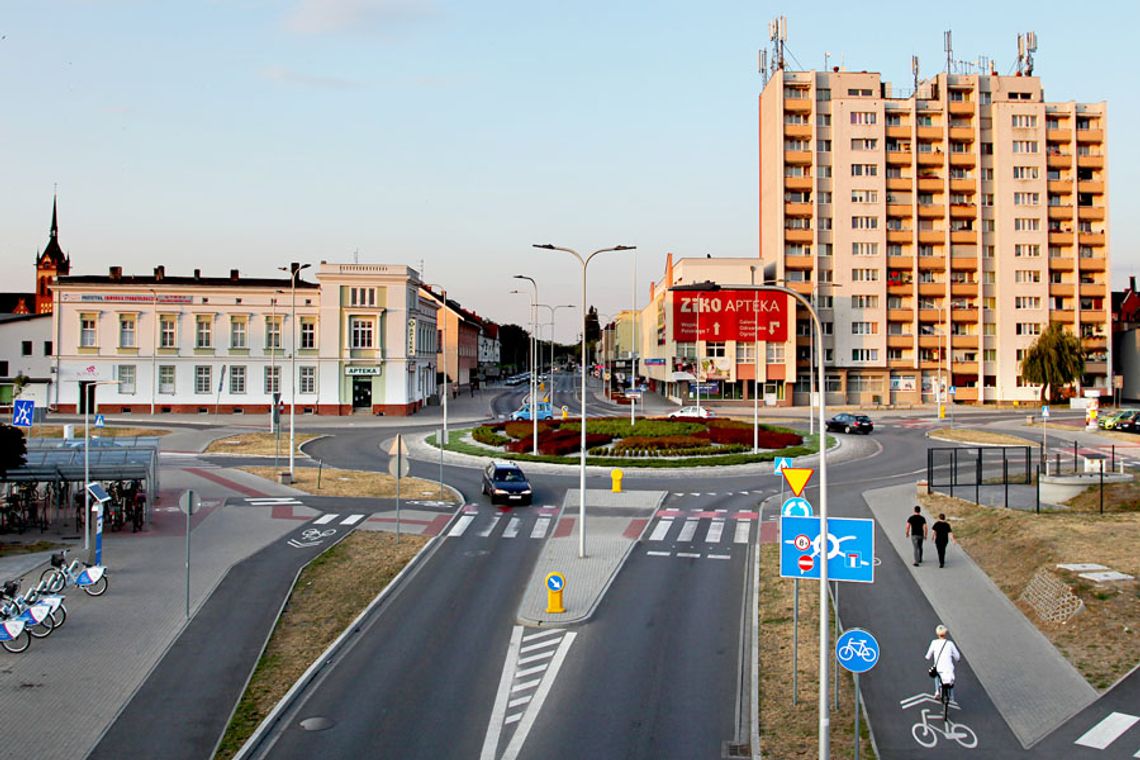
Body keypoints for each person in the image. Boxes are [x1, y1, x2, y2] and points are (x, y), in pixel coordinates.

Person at [925, 624, 961, 701]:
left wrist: (928, 657)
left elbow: (928, 656)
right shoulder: (950, 644)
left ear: (937, 634)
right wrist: (957, 659)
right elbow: (957, 656)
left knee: (936, 674)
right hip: (948, 668)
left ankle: (937, 691)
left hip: (939, 667)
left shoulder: (934, 643)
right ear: (945, 633)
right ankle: (951, 696)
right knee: (951, 678)